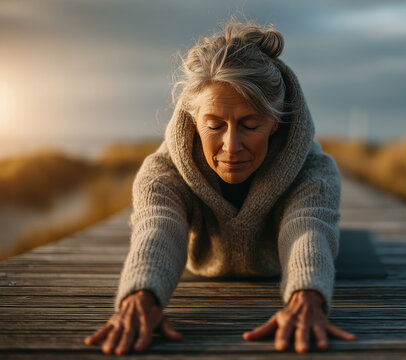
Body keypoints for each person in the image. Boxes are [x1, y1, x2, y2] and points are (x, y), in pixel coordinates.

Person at [84, 21, 356, 355]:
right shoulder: (162, 172)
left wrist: (307, 294)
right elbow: (158, 226)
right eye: (214, 125)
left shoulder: (315, 171)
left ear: (275, 122)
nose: (231, 145)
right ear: (194, 121)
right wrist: (140, 295)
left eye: (250, 125)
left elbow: (309, 228)